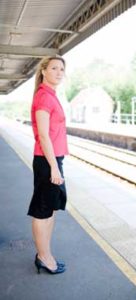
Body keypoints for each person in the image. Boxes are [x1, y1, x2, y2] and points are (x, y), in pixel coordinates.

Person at [27, 55, 69, 274]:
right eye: (54, 68)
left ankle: (46, 253)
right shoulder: (44, 97)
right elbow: (43, 136)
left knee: (51, 208)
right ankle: (43, 256)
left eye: (62, 69)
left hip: (53, 159)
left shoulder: (51, 95)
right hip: (47, 161)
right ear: (43, 71)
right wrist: (54, 167)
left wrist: (56, 163)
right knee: (43, 211)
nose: (59, 72)